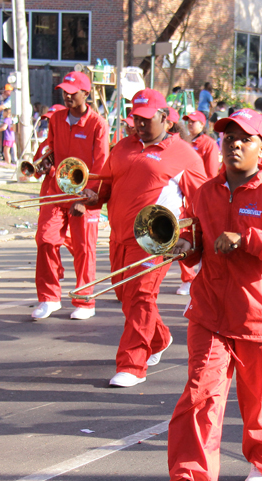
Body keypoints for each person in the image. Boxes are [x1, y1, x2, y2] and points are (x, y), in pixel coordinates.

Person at [152, 109, 262, 481]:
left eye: (244, 138)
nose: (234, 144)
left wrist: (249, 239)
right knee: (199, 394)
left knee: (259, 399)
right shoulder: (205, 192)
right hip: (209, 312)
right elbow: (199, 242)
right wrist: (185, 247)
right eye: (228, 138)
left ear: (261, 148)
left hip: (258, 313)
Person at [87, 89, 206, 388]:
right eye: (135, 118)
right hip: (119, 235)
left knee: (140, 296)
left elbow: (203, 202)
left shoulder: (184, 155)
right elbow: (108, 183)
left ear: (164, 118)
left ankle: (132, 364)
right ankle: (160, 337)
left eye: (145, 118)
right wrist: (92, 197)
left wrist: (189, 237)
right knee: (125, 296)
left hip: (154, 239)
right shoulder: (123, 146)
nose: (138, 124)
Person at [31, 71, 109, 321]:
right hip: (56, 190)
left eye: (72, 92)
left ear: (86, 94)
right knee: (45, 239)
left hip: (84, 194)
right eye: (64, 91)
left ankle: (85, 301)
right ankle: (49, 297)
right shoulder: (56, 118)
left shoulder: (98, 124)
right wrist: (43, 163)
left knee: (84, 249)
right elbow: (51, 149)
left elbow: (101, 165)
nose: (66, 95)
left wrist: (87, 198)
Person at [176, 110, 220, 295]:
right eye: (188, 121)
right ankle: (187, 277)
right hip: (184, 196)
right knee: (182, 234)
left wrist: (205, 198)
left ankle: (197, 278)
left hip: (200, 196)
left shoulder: (208, 144)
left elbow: (210, 175)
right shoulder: (183, 143)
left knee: (198, 236)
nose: (190, 125)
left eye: (194, 122)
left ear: (203, 125)